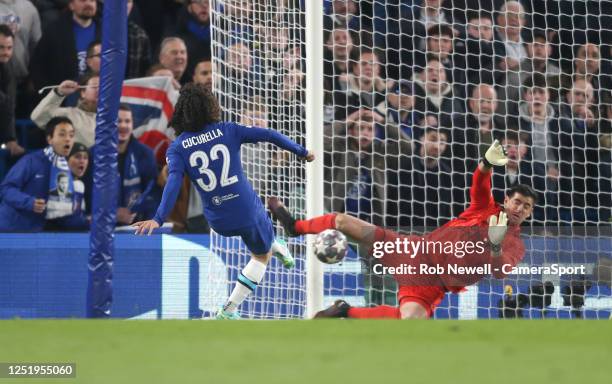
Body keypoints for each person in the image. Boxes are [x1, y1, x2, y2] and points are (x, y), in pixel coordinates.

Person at [269, 140, 537, 319]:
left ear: (530, 213)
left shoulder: (515, 245)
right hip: (414, 250)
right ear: (506, 201)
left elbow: (501, 271)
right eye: (517, 202)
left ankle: (344, 311)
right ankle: (296, 227)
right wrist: (486, 164)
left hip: (432, 282)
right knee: (342, 221)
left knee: (407, 318)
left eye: (526, 207)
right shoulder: (485, 209)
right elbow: (480, 182)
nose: (520, 209)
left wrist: (494, 245)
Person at [133, 83, 315, 319]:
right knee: (261, 256)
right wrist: (301, 151)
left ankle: (274, 243)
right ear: (211, 106)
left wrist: (158, 219)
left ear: (181, 111)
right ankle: (229, 309)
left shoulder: (177, 147)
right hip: (246, 211)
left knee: (260, 227)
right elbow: (270, 135)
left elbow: (173, 183)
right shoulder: (228, 130)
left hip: (217, 220)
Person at [0, 116, 75, 232]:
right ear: (50, 139)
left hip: (36, 234)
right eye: (62, 134)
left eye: (71, 135)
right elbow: (6, 189)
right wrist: (29, 202)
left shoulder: (66, 168)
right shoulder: (31, 161)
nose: (68, 139)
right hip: (8, 230)